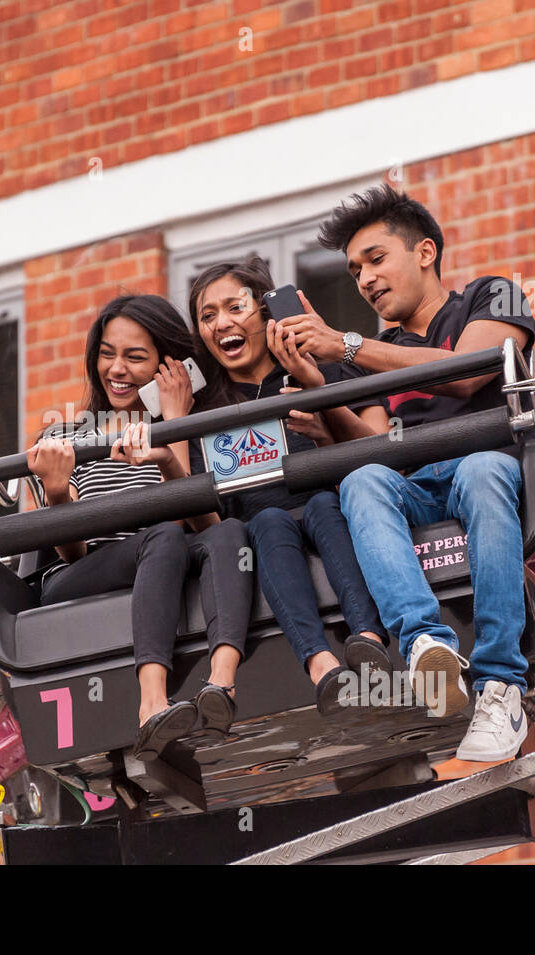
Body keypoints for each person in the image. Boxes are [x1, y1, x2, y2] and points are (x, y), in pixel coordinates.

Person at [297, 183, 535, 761]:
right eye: (355, 271)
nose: (365, 280)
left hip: (490, 474)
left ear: (425, 252)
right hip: (421, 485)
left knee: (480, 469)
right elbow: (377, 446)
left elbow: (464, 372)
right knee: (362, 480)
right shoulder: (377, 352)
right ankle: (426, 642)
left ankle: (501, 685)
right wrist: (321, 396)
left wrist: (344, 346)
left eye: (375, 259)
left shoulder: (493, 295)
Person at [27, 294, 252, 759]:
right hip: (86, 572)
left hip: (169, 559)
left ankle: (221, 684)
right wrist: (55, 492)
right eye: (108, 354)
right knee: (164, 535)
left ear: (170, 368)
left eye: (135, 357)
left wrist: (174, 431)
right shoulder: (66, 437)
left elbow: (207, 526)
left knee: (229, 533)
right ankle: (152, 703)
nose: (117, 369)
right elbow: (73, 554)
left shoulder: (190, 427)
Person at [186, 258, 390, 716]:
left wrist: (324, 414)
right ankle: (321, 666)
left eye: (234, 307)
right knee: (270, 521)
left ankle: (369, 639)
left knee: (320, 503)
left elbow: (386, 454)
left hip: (330, 509)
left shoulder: (328, 370)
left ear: (265, 310)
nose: (222, 324)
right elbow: (207, 521)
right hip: (263, 533)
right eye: (207, 316)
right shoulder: (203, 410)